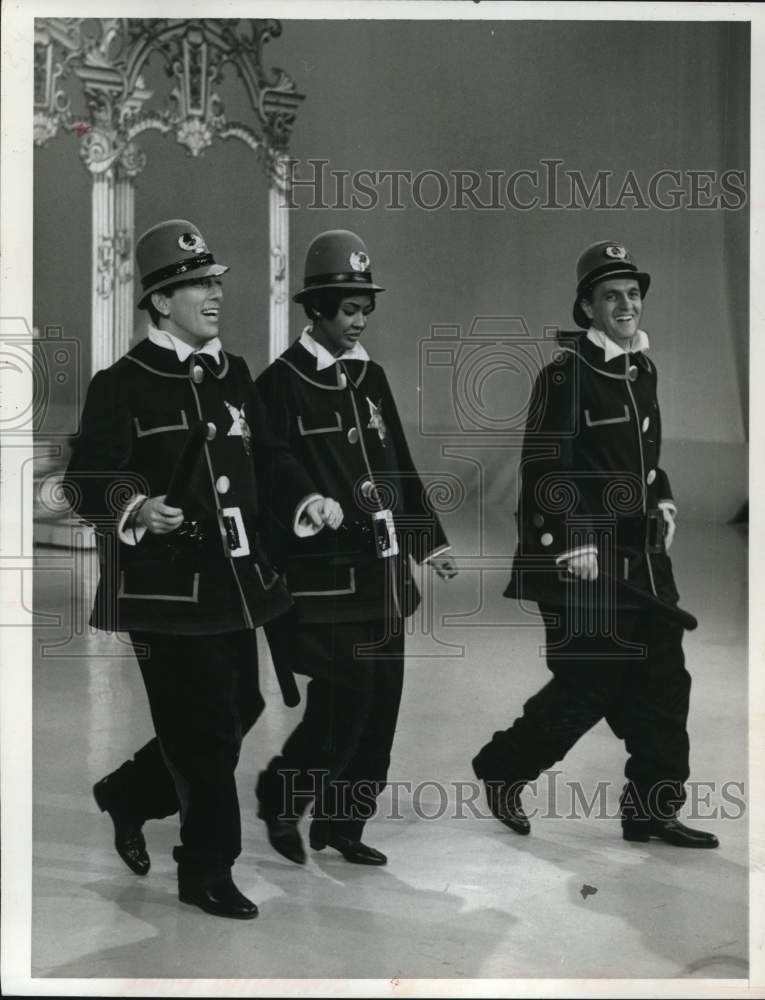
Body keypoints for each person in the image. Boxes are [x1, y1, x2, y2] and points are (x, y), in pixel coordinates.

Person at [64, 219, 341, 919]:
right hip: (162, 592)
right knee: (204, 732)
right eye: (197, 285)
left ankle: (128, 795)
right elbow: (85, 480)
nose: (215, 295)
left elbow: (269, 457)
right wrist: (135, 505)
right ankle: (205, 868)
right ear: (160, 301)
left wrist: (304, 494)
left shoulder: (233, 374)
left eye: (215, 282)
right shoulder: (120, 384)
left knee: (237, 708)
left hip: (234, 585)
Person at [472, 240, 718, 849]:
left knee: (666, 684)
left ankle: (651, 811)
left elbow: (645, 460)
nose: (627, 305)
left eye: (633, 294)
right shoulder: (565, 375)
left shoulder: (643, 369)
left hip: (644, 564)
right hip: (584, 564)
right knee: (590, 684)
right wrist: (572, 542)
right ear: (587, 307)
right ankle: (504, 767)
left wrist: (661, 495)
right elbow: (544, 471)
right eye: (612, 296)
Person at [254, 229, 457, 866]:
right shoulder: (279, 384)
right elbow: (271, 467)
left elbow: (397, 464)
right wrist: (307, 501)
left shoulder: (372, 376)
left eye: (365, 308)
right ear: (316, 309)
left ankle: (344, 824)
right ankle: (282, 796)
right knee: (345, 701)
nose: (359, 320)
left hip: (384, 576)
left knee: (383, 706)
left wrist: (427, 543)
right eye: (348, 309)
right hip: (323, 581)